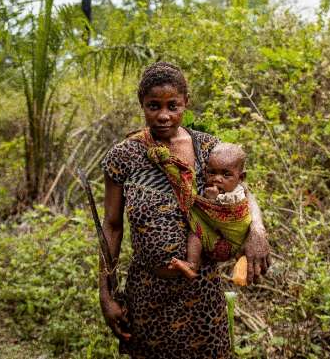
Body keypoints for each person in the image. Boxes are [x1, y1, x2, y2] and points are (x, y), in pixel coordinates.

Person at [99, 61, 270, 358]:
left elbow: (243, 193)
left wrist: (257, 230)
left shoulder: (208, 149)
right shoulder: (124, 155)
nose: (164, 115)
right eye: (154, 106)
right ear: (142, 104)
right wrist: (106, 293)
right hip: (147, 294)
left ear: (186, 103)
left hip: (202, 293)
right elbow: (112, 226)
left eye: (173, 105)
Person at [167, 143, 250, 280]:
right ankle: (193, 265)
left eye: (226, 174)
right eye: (212, 172)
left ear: (241, 178)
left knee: (196, 232)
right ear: (205, 171)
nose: (217, 179)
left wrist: (212, 198)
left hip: (231, 243)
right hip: (217, 237)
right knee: (198, 232)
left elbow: (226, 210)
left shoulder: (238, 194)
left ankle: (193, 264)